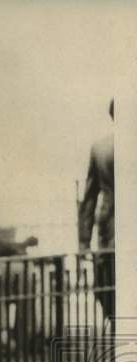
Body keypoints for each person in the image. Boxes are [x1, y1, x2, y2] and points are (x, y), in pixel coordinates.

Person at [79, 99, 115, 321]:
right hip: (112, 234)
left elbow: (89, 198)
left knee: (108, 291)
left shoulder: (100, 148)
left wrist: (83, 241)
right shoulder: (101, 148)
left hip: (109, 234)